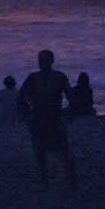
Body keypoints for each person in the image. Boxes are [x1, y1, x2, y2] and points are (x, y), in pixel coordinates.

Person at [18, 49, 77, 188]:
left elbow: (70, 95)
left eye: (45, 60)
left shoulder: (59, 77)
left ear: (52, 61)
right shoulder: (33, 78)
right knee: (40, 150)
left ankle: (72, 179)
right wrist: (26, 114)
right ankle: (44, 179)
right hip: (38, 118)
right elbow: (21, 97)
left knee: (63, 149)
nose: (42, 63)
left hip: (55, 117)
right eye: (40, 60)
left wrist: (69, 112)